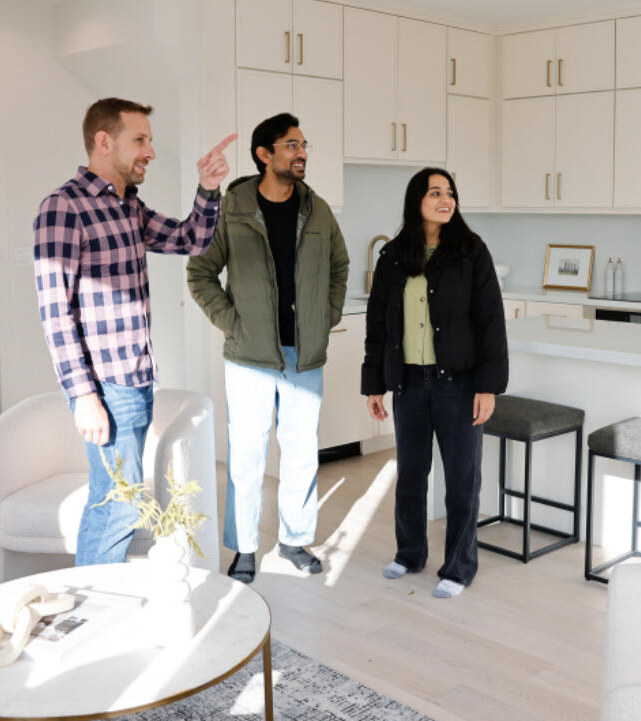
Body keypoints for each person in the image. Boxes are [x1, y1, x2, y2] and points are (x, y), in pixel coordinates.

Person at [33, 97, 236, 566]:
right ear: (104, 142)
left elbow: (192, 239)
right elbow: (55, 312)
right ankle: (91, 610)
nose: (150, 151)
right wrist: (83, 395)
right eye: (139, 140)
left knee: (119, 499)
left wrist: (208, 189)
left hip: (137, 378)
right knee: (118, 505)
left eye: (150, 140)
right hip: (105, 385)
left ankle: (98, 604)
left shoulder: (127, 205)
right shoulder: (63, 208)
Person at [187, 112, 349, 584]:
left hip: (305, 354)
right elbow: (200, 273)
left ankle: (295, 540)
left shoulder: (316, 210)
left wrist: (328, 315)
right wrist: (231, 321)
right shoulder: (231, 206)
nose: (301, 153)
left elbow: (339, 266)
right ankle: (243, 549)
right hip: (249, 356)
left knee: (301, 452)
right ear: (264, 154)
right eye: (292, 145)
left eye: (304, 145)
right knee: (248, 454)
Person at [361, 167, 508, 598]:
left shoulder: (471, 252)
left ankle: (459, 567)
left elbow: (491, 322)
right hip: (408, 384)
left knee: (462, 480)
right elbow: (378, 325)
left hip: (459, 385)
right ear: (416, 200)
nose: (446, 200)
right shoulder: (393, 256)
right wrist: (375, 384)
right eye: (435, 192)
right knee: (409, 474)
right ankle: (409, 553)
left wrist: (488, 387)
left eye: (450, 193)